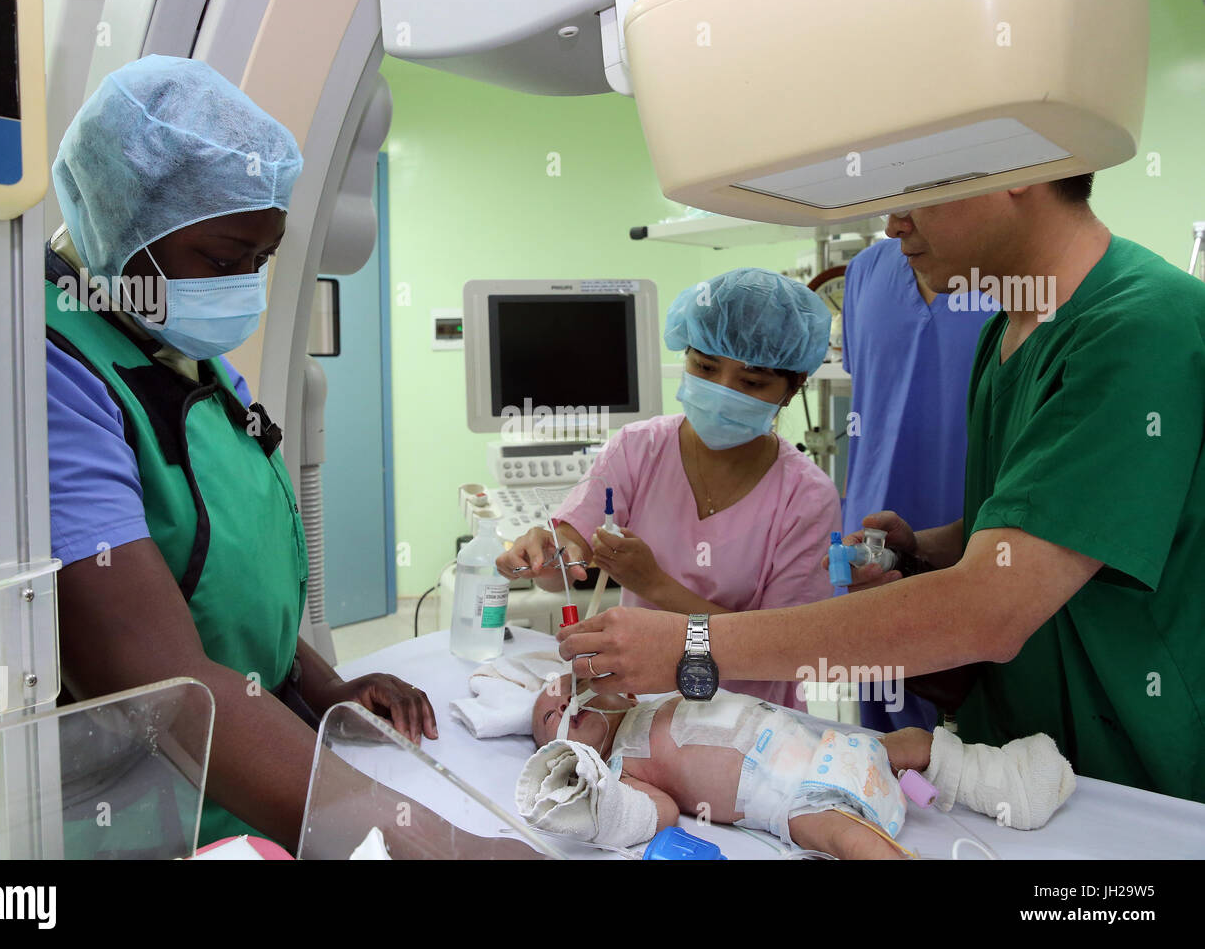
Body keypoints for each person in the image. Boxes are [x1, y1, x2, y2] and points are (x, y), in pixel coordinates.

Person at [0, 56, 436, 856]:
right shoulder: (23, 370)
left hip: (219, 808)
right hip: (75, 833)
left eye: (263, 259)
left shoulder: (178, 353)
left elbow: (211, 574)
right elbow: (160, 686)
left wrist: (324, 687)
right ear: (123, 224)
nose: (246, 287)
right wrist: (444, 845)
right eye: (223, 261)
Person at [556, 175, 1205, 804]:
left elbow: (992, 609)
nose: (894, 226)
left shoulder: (1139, 327)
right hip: (1014, 760)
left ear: (1017, 167)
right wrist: (928, 548)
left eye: (917, 195)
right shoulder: (1005, 333)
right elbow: (1041, 525)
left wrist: (690, 643)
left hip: (1138, 773)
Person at [497, 268, 840, 708]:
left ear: (792, 389)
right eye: (705, 367)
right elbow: (569, 553)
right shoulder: (638, 449)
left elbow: (780, 652)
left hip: (751, 724)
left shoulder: (806, 498)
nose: (722, 391)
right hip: (639, 708)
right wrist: (545, 555)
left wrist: (655, 585)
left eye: (751, 382)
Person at [520, 675, 1074, 857]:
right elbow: (659, 814)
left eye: (568, 689)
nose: (564, 703)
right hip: (793, 799)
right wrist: (598, 802)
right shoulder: (623, 767)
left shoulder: (657, 693)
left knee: (907, 741)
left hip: (838, 747)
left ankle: (999, 779)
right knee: (845, 839)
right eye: (551, 718)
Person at [839, 236, 996, 732]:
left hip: (984, 537)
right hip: (875, 535)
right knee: (883, 754)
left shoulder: (1016, 274)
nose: (895, 219)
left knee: (982, 755)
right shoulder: (865, 273)